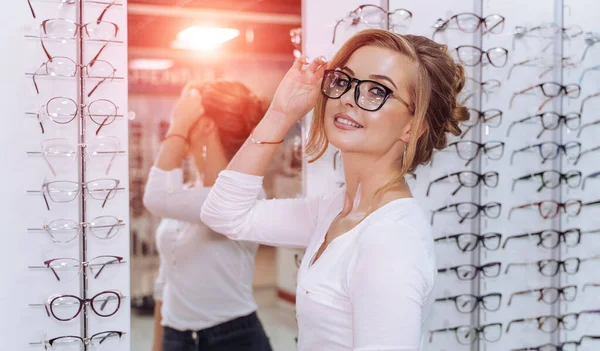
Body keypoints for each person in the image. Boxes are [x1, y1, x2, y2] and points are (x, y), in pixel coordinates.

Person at [199, 29, 470, 350]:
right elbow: (225, 215)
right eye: (344, 81)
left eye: (377, 90)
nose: (346, 98)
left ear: (414, 126)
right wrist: (280, 112)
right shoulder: (335, 211)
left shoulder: (389, 242)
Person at [143, 81, 273, 351]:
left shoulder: (242, 196)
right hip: (176, 337)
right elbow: (166, 279)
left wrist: (178, 127)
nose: (175, 116)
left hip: (232, 339)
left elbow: (156, 196)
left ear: (206, 124)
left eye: (183, 111)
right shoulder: (185, 195)